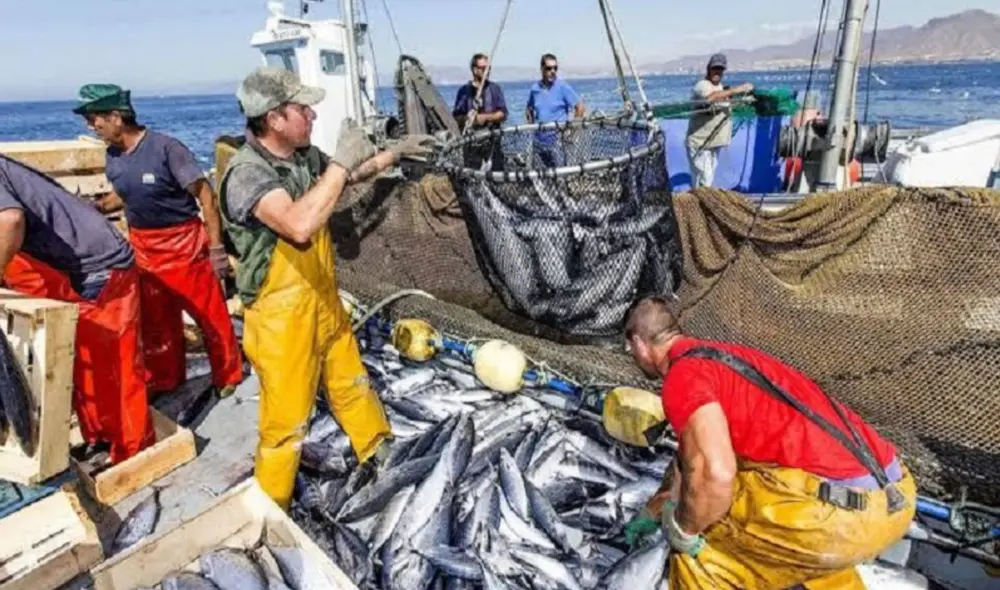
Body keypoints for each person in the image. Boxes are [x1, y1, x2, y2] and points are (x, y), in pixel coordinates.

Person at [218, 66, 437, 510]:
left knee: (352, 380)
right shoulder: (247, 172)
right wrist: (339, 162)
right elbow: (299, 225)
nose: (312, 115)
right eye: (302, 109)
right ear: (274, 118)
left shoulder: (300, 157)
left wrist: (394, 154)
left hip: (321, 298)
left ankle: (377, 448)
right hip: (280, 319)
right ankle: (271, 509)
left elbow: (348, 178)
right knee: (286, 423)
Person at [622, 296, 916, 590]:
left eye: (629, 348)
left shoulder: (682, 378)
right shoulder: (724, 357)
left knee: (702, 553)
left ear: (640, 343)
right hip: (892, 501)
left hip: (836, 518)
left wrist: (684, 531)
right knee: (787, 550)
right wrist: (654, 509)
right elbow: (688, 464)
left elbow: (715, 475)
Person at [72, 84, 244, 399]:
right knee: (156, 322)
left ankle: (228, 373)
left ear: (116, 117)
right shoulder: (113, 156)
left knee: (210, 316)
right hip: (144, 249)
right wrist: (95, 208)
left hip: (184, 245)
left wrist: (216, 249)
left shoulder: (167, 149)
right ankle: (166, 379)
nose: (90, 127)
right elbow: (124, 194)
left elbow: (206, 197)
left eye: (94, 119)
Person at [0, 154, 154, 464]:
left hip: (100, 265)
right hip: (73, 263)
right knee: (83, 360)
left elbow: (10, 220)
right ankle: (102, 440)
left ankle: (133, 452)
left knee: (115, 367)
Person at [686, 53, 754, 188]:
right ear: (708, 69)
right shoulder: (702, 85)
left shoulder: (721, 87)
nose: (717, 72)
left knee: (706, 180)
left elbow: (724, 99)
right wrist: (737, 89)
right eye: (715, 68)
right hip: (700, 144)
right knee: (705, 179)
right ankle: (700, 205)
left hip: (713, 143)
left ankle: (699, 204)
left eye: (720, 69)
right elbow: (711, 98)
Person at [525, 53, 585, 167]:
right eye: (549, 68)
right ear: (541, 69)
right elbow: (529, 109)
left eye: (555, 68)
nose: (553, 71)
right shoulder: (535, 89)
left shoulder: (563, 87)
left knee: (560, 176)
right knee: (539, 176)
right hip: (539, 140)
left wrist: (572, 131)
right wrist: (531, 127)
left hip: (557, 141)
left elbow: (580, 107)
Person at [452, 53, 509, 171]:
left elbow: (503, 114)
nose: (487, 72)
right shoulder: (464, 92)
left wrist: (485, 117)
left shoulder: (495, 89)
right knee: (473, 177)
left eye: (489, 68)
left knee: (496, 177)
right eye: (483, 68)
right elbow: (456, 117)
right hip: (472, 145)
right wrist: (468, 118)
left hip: (493, 143)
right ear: (474, 69)